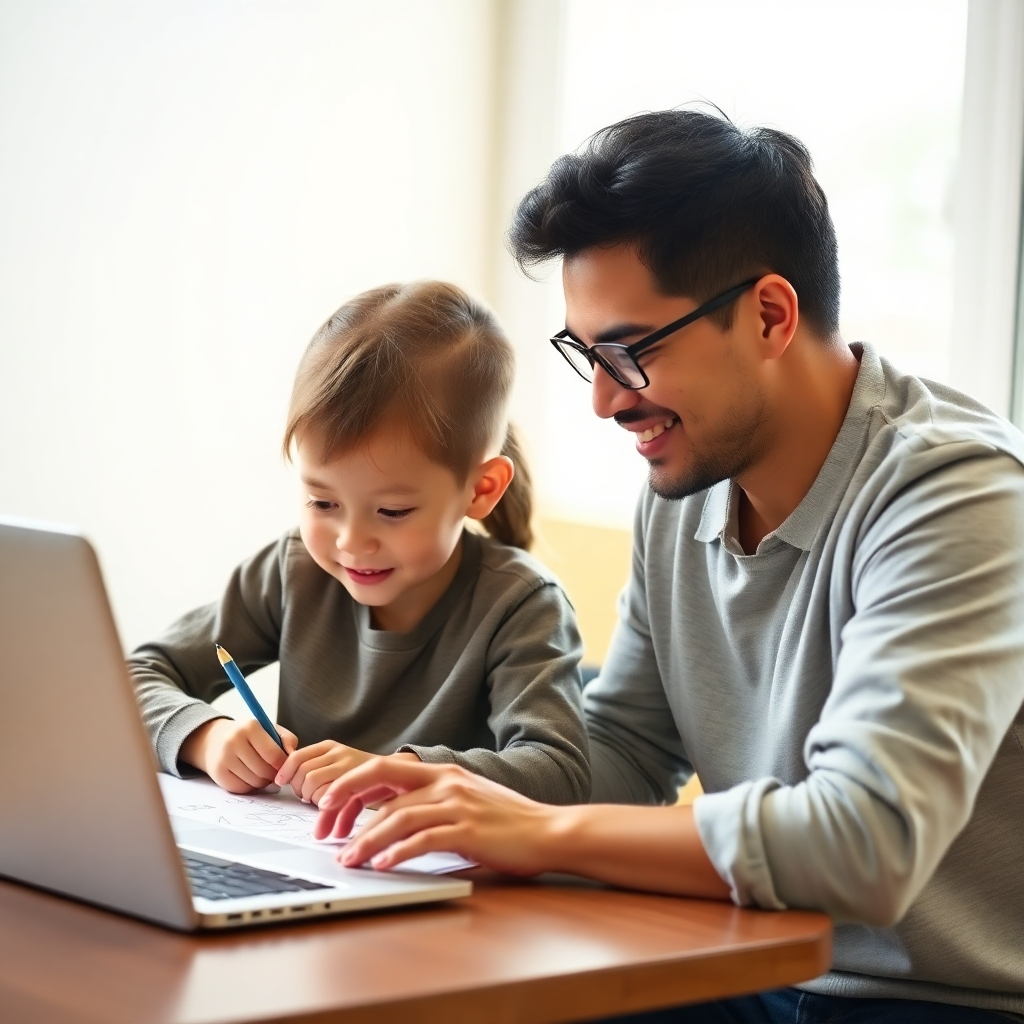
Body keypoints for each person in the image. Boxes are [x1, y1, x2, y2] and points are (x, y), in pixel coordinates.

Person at [311, 111, 1024, 1022]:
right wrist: (437, 787)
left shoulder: (955, 494)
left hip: (942, 1001)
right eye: (587, 354)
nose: (607, 399)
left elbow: (865, 844)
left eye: (632, 350)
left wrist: (538, 832)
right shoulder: (687, 480)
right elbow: (626, 749)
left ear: (769, 315)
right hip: (745, 964)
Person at [128, 281, 590, 808]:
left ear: (480, 489)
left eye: (392, 511)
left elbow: (559, 772)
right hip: (312, 865)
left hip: (450, 877)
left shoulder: (520, 605)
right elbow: (133, 676)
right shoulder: (293, 572)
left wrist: (398, 773)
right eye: (322, 503)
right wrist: (204, 736)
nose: (351, 542)